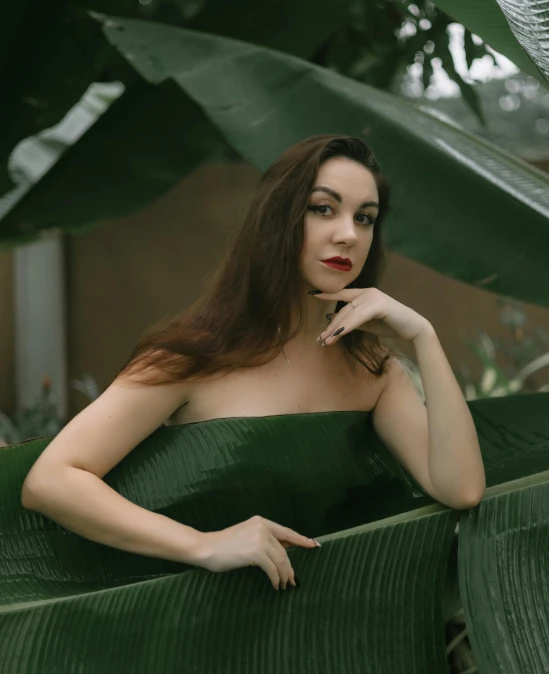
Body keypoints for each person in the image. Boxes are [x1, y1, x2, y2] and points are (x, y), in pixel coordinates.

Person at [20, 134, 486, 594]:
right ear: (277, 218)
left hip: (331, 632)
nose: (348, 234)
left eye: (365, 218)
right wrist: (202, 545)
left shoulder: (372, 370)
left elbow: (461, 489)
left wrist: (423, 335)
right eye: (323, 208)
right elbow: (52, 479)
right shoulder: (195, 356)